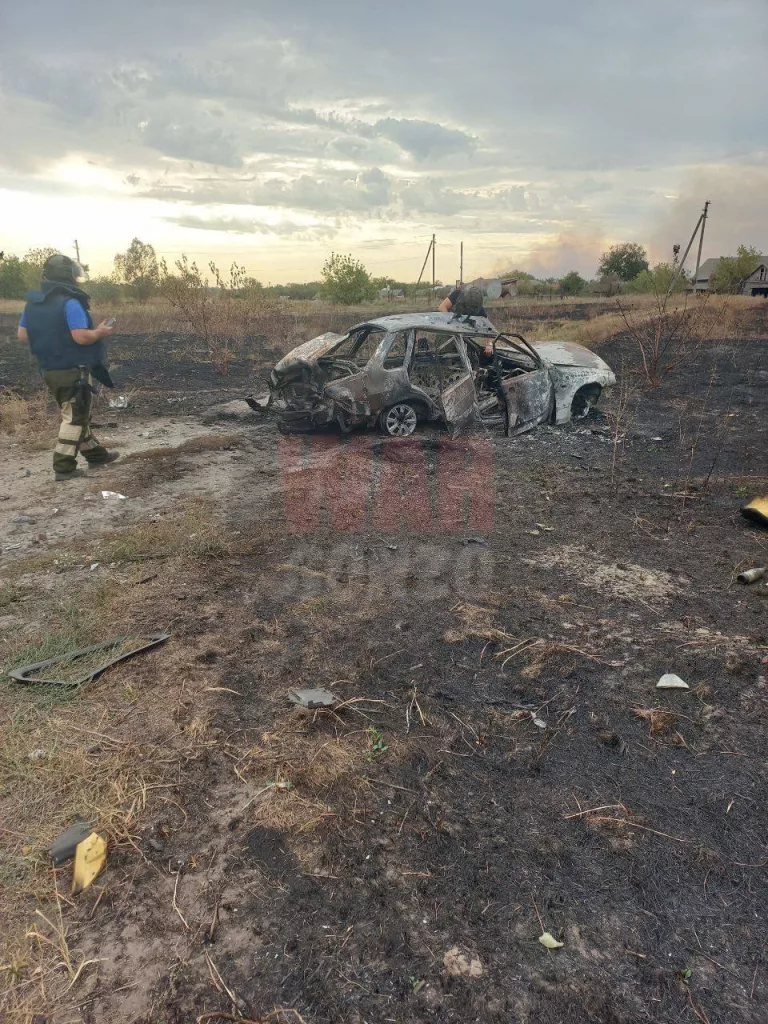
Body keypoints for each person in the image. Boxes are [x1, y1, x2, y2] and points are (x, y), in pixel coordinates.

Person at [18, 254, 119, 481]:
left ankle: (96, 455)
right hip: (72, 369)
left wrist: (51, 336)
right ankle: (64, 467)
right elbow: (81, 337)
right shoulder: (70, 302)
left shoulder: (33, 304)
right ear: (69, 276)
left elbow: (23, 336)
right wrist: (100, 332)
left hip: (49, 369)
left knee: (77, 412)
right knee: (74, 416)